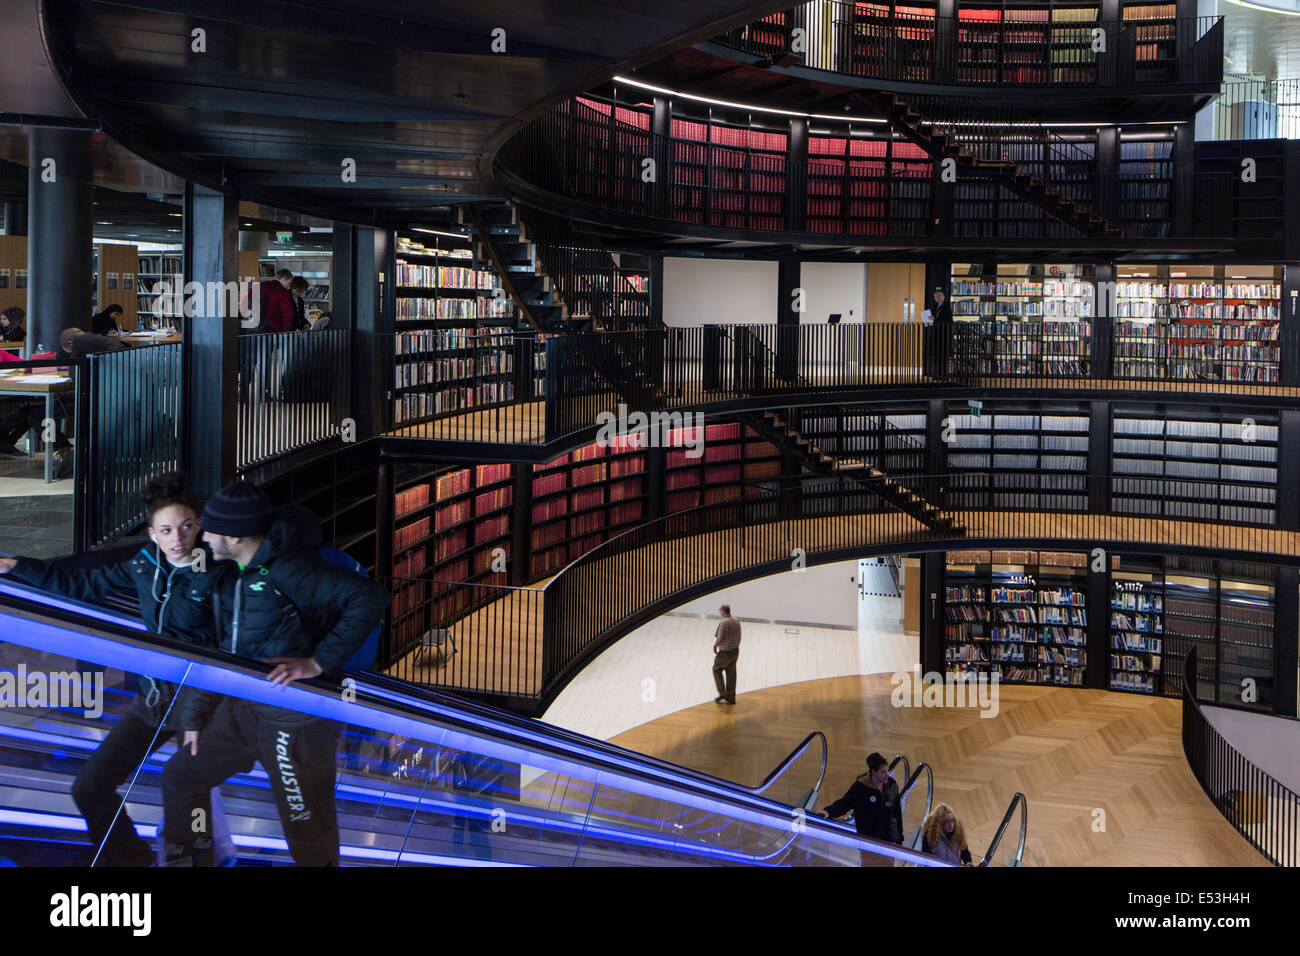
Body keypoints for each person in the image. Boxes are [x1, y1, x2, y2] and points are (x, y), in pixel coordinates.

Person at [0, 472, 234, 866]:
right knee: (90, 788)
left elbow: (227, 649)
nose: (178, 538)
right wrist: (16, 566)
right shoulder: (143, 566)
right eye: (166, 529)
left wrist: (198, 710)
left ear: (199, 526)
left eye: (187, 526)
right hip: (157, 700)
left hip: (204, 703)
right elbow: (81, 584)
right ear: (152, 533)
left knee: (189, 800)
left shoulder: (219, 573)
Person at [161, 480, 389, 867]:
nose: (203, 535)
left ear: (234, 536)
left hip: (295, 722)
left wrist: (317, 663)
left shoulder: (290, 570)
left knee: (307, 830)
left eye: (210, 529)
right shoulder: (234, 572)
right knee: (182, 776)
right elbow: (223, 651)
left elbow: (368, 598)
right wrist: (195, 716)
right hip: (246, 712)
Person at [818, 752, 904, 865]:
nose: (887, 774)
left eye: (888, 770)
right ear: (873, 771)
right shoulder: (860, 788)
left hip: (888, 841)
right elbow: (844, 804)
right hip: (868, 842)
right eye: (883, 772)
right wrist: (828, 811)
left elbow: (897, 811)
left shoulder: (892, 784)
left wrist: (899, 837)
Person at [712, 603, 741, 705]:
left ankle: (722, 693)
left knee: (716, 669)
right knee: (731, 673)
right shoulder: (736, 620)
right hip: (735, 651)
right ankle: (731, 697)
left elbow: (719, 638)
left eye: (720, 610)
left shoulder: (723, 623)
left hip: (725, 653)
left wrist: (715, 646)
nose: (720, 612)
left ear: (723, 611)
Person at [923, 286, 953, 380]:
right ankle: (938, 375)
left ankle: (943, 376)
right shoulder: (936, 307)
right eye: (936, 296)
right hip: (937, 335)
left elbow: (948, 320)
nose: (937, 298)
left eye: (939, 295)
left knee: (943, 357)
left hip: (944, 336)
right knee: (937, 356)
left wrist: (934, 319)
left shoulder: (946, 307)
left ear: (944, 296)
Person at [60, 326, 128, 362]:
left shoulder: (78, 340)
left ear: (70, 343)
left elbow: (75, 368)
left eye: (71, 351)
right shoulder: (94, 338)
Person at [258, 269, 295, 333]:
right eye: (289, 283)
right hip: (272, 329)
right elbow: (288, 315)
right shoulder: (284, 293)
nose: (289, 286)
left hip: (253, 328)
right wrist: (285, 332)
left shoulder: (260, 286)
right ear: (285, 279)